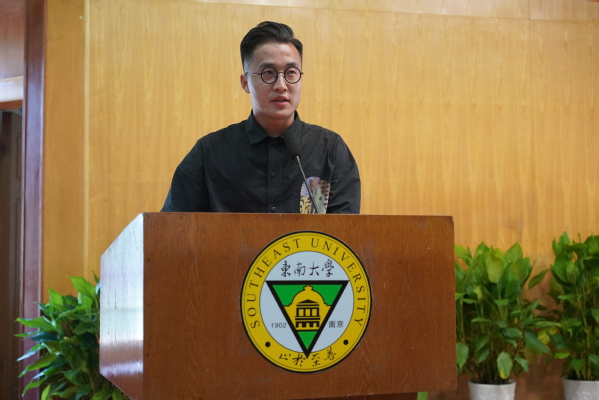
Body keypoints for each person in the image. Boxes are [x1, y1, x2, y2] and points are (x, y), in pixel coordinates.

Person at [161, 21, 360, 214]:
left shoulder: (330, 150)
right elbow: (175, 227)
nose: (281, 85)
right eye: (268, 73)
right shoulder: (209, 152)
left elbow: (346, 230)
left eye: (291, 72)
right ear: (245, 82)